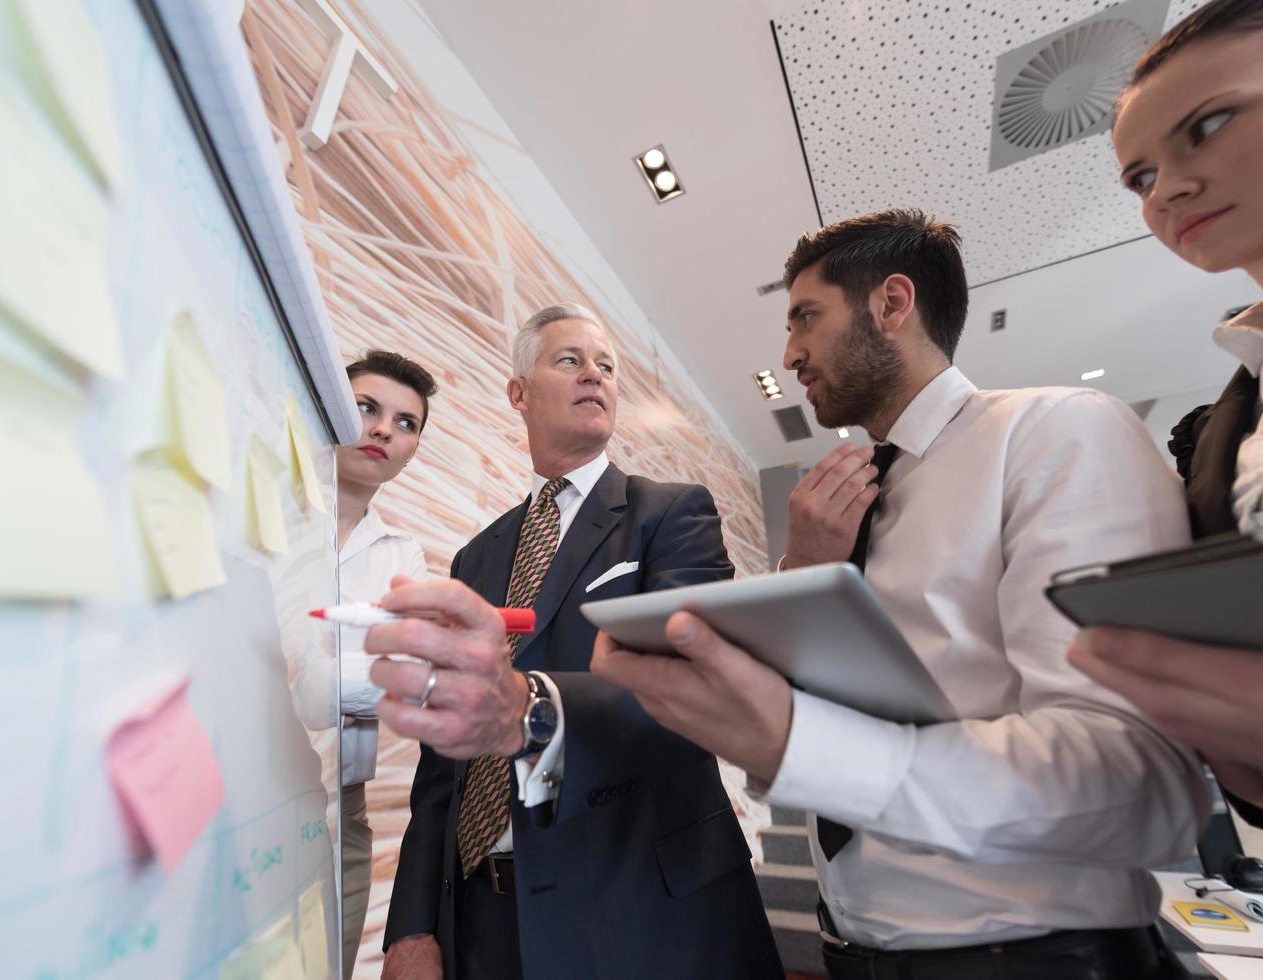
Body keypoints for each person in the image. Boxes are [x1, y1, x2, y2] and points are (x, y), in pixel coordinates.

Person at [592, 211, 1208, 979]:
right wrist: (804, 579)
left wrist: (792, 742)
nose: (788, 355)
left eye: (805, 318)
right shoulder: (842, 508)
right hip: (853, 952)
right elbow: (858, 713)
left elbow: (1135, 786)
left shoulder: (1056, 433)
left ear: (890, 303)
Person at [1065, 2, 1263, 975]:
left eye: (1206, 124)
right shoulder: (1227, 425)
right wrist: (1259, 769)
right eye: (1137, 176)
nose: (1167, 189)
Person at [367, 304, 781, 980]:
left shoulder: (670, 515)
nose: (594, 374)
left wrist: (530, 708)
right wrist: (412, 926)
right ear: (518, 392)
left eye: (607, 366)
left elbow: (696, 689)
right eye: (570, 360)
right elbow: (443, 755)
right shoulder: (476, 557)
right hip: (484, 919)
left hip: (639, 908)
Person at [291, 350, 436, 978]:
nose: (383, 430)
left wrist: (317, 666)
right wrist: (348, 669)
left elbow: (400, 688)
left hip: (344, 811)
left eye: (406, 423)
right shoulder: (268, 517)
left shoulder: (405, 557)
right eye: (367, 408)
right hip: (241, 792)